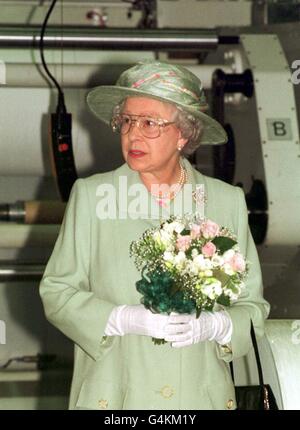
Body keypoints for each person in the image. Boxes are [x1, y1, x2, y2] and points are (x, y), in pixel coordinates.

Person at [39, 60, 270, 410]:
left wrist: (218, 326)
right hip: (116, 398)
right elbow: (56, 292)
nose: (133, 134)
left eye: (149, 123)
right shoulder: (92, 196)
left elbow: (253, 308)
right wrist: (119, 318)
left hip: (200, 398)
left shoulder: (225, 202)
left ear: (183, 134)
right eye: (127, 121)